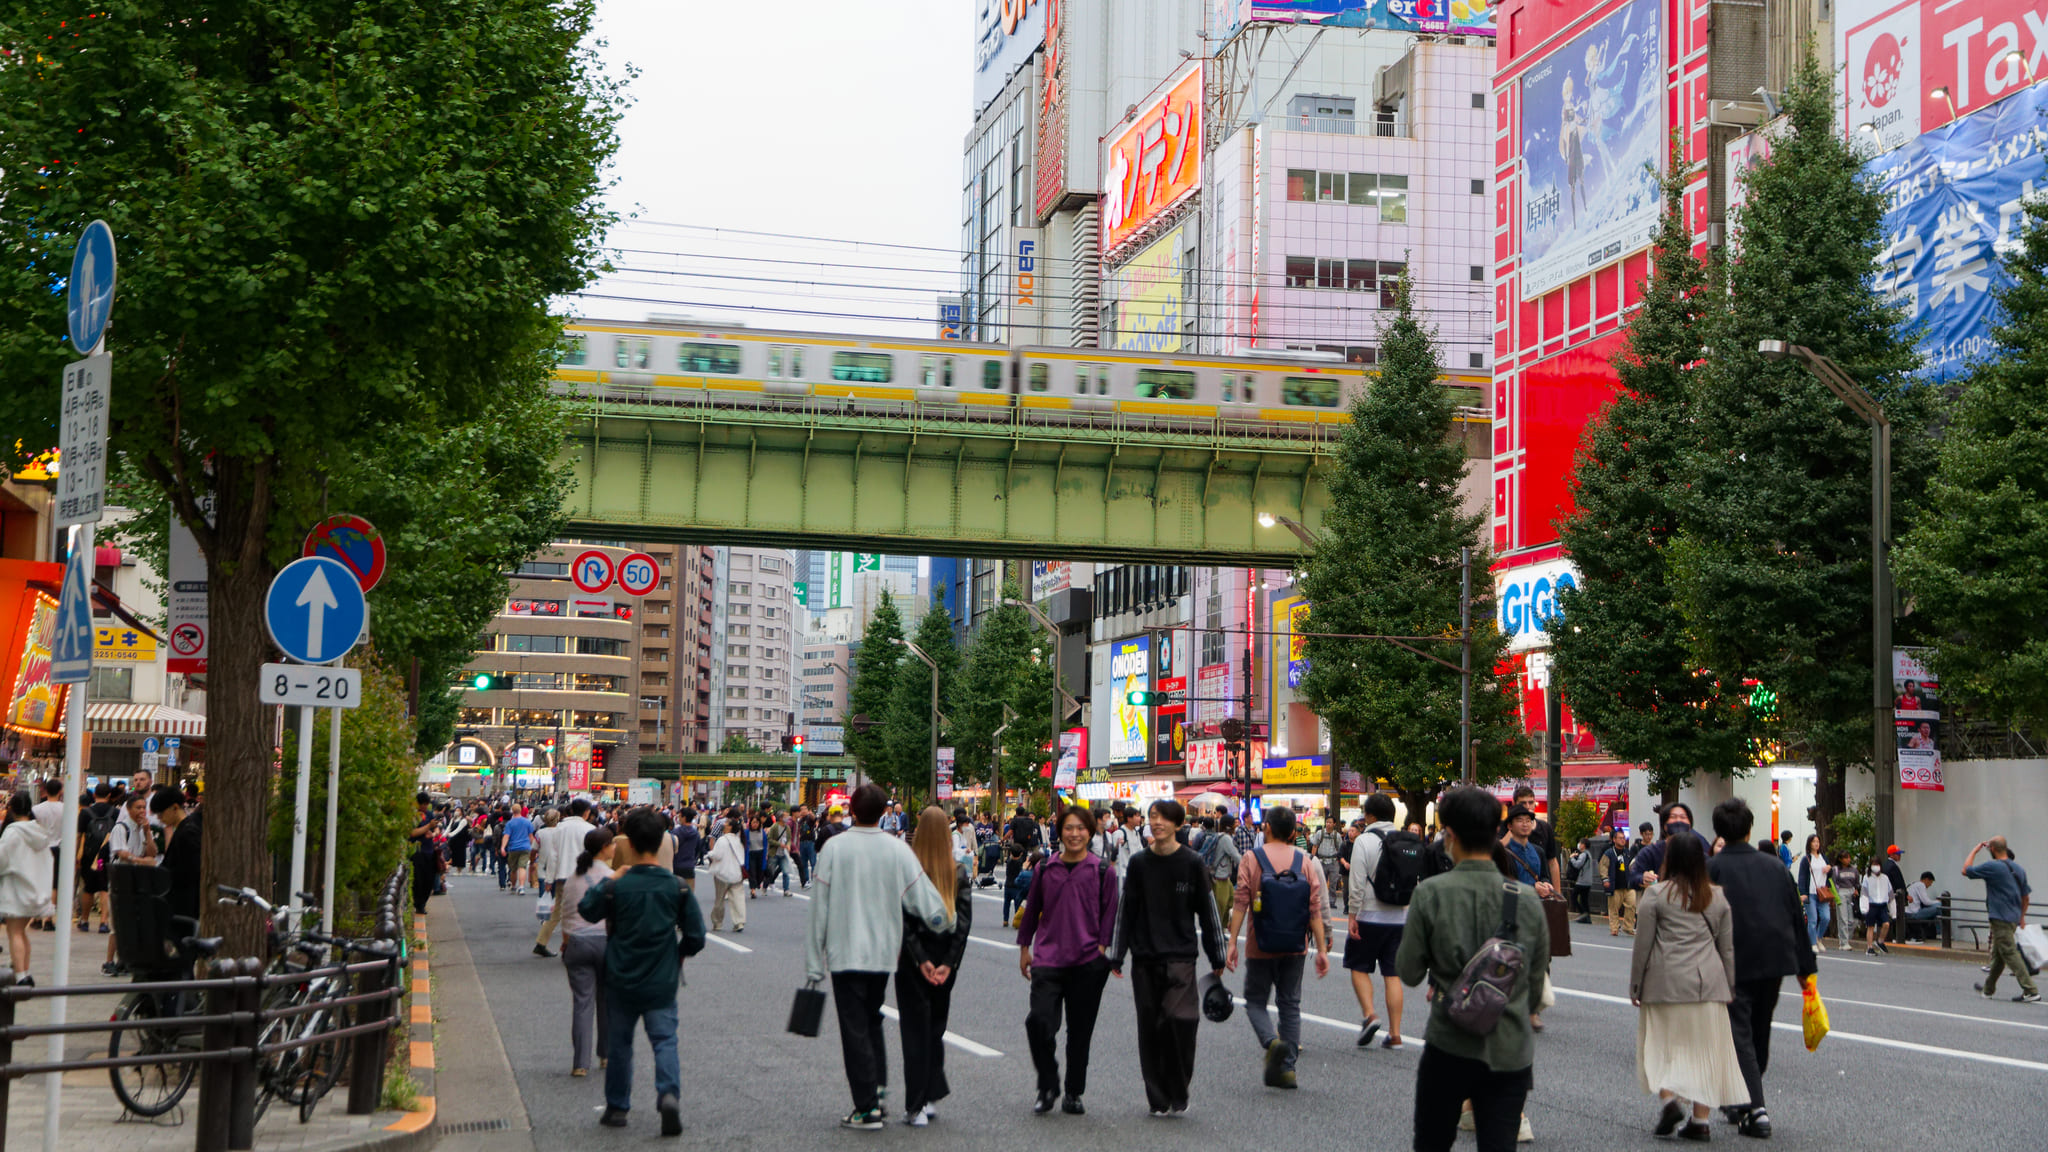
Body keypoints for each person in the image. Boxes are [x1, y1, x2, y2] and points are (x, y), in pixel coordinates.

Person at [1397, 786, 1550, 1152]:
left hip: (1449, 1042)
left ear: (1449, 835)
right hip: (1510, 1047)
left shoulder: (1431, 894)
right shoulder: (1526, 899)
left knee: (1432, 1143)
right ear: (1497, 831)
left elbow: (1409, 971)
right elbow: (1535, 982)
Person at [805, 784, 951, 1130]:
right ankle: (877, 1091)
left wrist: (814, 963)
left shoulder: (834, 848)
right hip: (885, 953)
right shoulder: (897, 849)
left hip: (844, 951)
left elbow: (819, 909)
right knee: (871, 1019)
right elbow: (926, 901)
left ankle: (867, 1107)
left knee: (854, 1027)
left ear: (852, 811)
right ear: (885, 811)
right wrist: (942, 921)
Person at [576, 807, 705, 1134]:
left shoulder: (617, 885)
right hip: (662, 978)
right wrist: (678, 955)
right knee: (664, 1040)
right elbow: (696, 937)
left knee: (620, 1044)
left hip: (620, 975)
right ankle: (668, 1095)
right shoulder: (677, 886)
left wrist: (610, 879)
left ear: (628, 843)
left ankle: (617, 1108)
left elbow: (587, 911)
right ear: (661, 841)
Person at [1105, 799, 1227, 1117]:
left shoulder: (1192, 862)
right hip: (1145, 957)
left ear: (1178, 824)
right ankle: (1157, 1097)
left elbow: (1208, 911)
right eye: (1152, 817)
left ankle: (1178, 1086)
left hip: (1180, 957)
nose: (1157, 823)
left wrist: (1217, 954)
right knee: (1150, 1027)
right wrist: (1116, 954)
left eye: (1164, 818)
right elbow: (1126, 909)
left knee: (1181, 1020)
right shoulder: (1139, 864)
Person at [1706, 799, 1814, 1140]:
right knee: (1759, 1029)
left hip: (1731, 959)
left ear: (1719, 831)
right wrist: (1806, 966)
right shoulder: (1775, 867)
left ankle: (1755, 1109)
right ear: (1750, 829)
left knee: (1738, 1033)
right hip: (1774, 958)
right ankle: (1743, 1099)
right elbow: (1796, 915)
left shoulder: (1712, 869)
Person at [1631, 827, 1745, 1141]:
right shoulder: (1717, 896)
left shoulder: (1656, 894)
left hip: (1664, 982)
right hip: (1708, 983)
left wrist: (1636, 985)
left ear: (1670, 859)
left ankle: (1669, 1101)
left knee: (1662, 1046)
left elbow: (1643, 945)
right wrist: (1729, 986)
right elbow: (1727, 949)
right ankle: (1701, 1121)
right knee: (1706, 1053)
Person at [1017, 805, 1117, 1116]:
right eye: (1068, 828)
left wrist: (1102, 949)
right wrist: (1024, 947)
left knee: (1080, 1031)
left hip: (1087, 961)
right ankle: (1047, 1084)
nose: (1074, 834)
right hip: (1049, 957)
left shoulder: (1103, 871)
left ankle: (1074, 1092)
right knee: (1039, 1022)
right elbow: (1032, 909)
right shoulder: (1046, 868)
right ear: (1059, 832)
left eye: (1080, 828)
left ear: (1090, 831)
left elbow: (1110, 914)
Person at [1225, 804, 1329, 1089]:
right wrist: (1321, 950)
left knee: (1255, 1001)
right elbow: (1314, 909)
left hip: (1260, 943)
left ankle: (1271, 1042)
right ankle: (1287, 1069)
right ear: (1294, 832)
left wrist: (1232, 942)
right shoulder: (1304, 861)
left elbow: (1240, 903)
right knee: (1290, 1004)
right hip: (1296, 944)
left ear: (1267, 828)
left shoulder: (1252, 858)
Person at [897, 807, 971, 1128]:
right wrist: (948, 964)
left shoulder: (909, 872)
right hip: (945, 962)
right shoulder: (957, 872)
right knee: (935, 1027)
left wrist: (920, 959)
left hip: (913, 961)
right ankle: (930, 1095)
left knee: (915, 1030)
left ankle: (916, 1104)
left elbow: (903, 922)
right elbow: (963, 925)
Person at [1346, 792, 1416, 1050]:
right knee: (1392, 974)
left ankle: (1370, 1014)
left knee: (1358, 966)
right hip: (1400, 917)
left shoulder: (1364, 840)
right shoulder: (1407, 840)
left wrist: (1352, 915)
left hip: (1369, 915)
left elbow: (1356, 882)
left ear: (1370, 816)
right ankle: (1395, 1034)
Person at [560, 827, 615, 1077]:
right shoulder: (612, 877)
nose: (615, 847)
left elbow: (565, 913)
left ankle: (580, 1063)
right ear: (604, 848)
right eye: (612, 844)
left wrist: (566, 941)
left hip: (576, 942)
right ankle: (606, 1055)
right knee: (607, 1001)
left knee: (582, 1003)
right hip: (605, 942)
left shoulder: (573, 878)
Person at [1963, 837, 2039, 1003]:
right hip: (2013, 917)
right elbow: (2026, 897)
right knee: (1999, 956)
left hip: (1999, 917)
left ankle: (2030, 990)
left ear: (1992, 849)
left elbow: (1966, 870)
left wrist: (1975, 850)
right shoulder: (2018, 869)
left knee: (2009, 952)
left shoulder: (1992, 866)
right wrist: (2022, 917)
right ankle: (1988, 989)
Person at [101, 790, 157, 975]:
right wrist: (142, 861)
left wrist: (148, 833)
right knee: (117, 924)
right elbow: (121, 852)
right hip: (121, 879)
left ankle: (125, 960)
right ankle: (109, 962)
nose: (141, 811)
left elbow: (152, 853)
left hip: (136, 880)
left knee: (131, 922)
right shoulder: (121, 828)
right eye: (138, 807)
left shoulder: (143, 829)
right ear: (129, 809)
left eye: (143, 807)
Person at [1, 792, 53, 987]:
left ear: (12, 809)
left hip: (16, 891)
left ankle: (21, 975)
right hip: (34, 890)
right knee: (21, 932)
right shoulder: (39, 832)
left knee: (14, 933)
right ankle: (25, 971)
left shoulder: (13, 832)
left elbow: (1, 859)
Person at [150, 788, 202, 926]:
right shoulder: (184, 828)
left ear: (174, 807)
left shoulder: (188, 832)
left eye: (160, 813)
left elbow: (191, 871)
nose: (159, 818)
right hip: (180, 903)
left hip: (185, 906)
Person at [76, 782, 117, 932]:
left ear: (94, 795)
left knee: (89, 888)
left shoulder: (85, 813)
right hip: (107, 854)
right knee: (104, 888)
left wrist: (76, 855)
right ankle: (104, 922)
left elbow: (78, 835)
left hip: (89, 856)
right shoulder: (115, 812)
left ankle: (84, 920)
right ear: (109, 795)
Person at [706, 818, 747, 932]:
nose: (723, 824)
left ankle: (717, 923)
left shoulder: (722, 840)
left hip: (722, 873)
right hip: (736, 873)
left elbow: (717, 855)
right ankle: (739, 922)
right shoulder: (738, 840)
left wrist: (709, 854)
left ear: (730, 827)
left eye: (726, 823)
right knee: (738, 899)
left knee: (719, 899)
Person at [1003, 806, 1041, 925]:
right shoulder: (1030, 821)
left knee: (1007, 902)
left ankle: (1005, 920)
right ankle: (1017, 917)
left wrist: (1003, 839)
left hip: (1009, 884)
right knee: (1017, 900)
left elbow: (1010, 832)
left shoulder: (1015, 821)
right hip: (1027, 846)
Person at [1201, 812, 1242, 921]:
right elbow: (1236, 856)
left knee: (1230, 902)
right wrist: (1248, 865)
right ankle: (1219, 928)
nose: (1236, 826)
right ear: (1229, 826)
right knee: (1221, 907)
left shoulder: (1220, 836)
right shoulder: (1226, 839)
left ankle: (1223, 927)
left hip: (1223, 876)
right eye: (1234, 824)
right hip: (1220, 877)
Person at [407, 793, 441, 916]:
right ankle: (419, 904)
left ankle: (423, 902)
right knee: (418, 880)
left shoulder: (429, 814)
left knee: (429, 879)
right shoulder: (413, 815)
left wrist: (434, 833)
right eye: (423, 805)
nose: (425, 807)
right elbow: (412, 832)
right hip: (417, 852)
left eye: (427, 804)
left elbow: (436, 828)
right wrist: (428, 827)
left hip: (429, 851)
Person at [1794, 834, 1829, 952]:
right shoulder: (1807, 859)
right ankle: (1812, 943)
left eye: (1818, 841)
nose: (1816, 844)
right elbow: (1802, 877)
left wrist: (1829, 869)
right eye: (1814, 841)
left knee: (1826, 917)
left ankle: (1818, 938)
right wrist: (1803, 893)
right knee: (1813, 919)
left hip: (1822, 893)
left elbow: (1829, 875)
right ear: (1809, 844)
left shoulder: (1824, 858)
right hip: (1810, 893)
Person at [1606, 831, 1642, 936]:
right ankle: (1614, 928)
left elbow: (1633, 865)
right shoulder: (1609, 853)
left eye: (1624, 838)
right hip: (1615, 884)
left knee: (1632, 904)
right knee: (1614, 907)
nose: (1623, 840)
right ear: (1614, 839)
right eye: (1620, 838)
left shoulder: (1628, 852)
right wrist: (1605, 879)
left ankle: (1628, 927)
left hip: (1628, 884)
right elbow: (1603, 866)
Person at [1309, 816, 1348, 916]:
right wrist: (1313, 858)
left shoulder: (1337, 836)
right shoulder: (1320, 833)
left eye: (1330, 822)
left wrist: (1340, 860)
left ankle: (1331, 902)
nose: (1328, 824)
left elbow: (1340, 848)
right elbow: (1315, 846)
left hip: (1333, 861)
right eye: (1327, 822)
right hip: (1321, 860)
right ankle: (1320, 901)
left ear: (1334, 824)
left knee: (1333, 883)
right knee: (1321, 882)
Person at [1861, 860, 1894, 955]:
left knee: (1886, 924)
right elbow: (1864, 893)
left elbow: (1890, 893)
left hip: (1882, 904)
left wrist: (1893, 909)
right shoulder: (1867, 877)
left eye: (1877, 864)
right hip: (1871, 904)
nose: (1876, 866)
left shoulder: (1885, 878)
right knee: (1870, 926)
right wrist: (1864, 907)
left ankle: (1880, 941)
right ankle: (1869, 947)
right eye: (1874, 864)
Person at [503, 806, 535, 894]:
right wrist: (535, 847)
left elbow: (506, 836)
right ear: (520, 810)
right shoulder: (527, 822)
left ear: (512, 811)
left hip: (513, 848)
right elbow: (531, 836)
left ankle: (513, 886)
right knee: (522, 867)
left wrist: (503, 847)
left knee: (513, 869)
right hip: (525, 847)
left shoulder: (510, 823)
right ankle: (521, 887)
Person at [1903, 871, 1943, 941]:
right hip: (1914, 914)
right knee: (1939, 906)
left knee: (1936, 909)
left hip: (1907, 912)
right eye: (1930, 882)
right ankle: (1940, 933)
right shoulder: (1921, 885)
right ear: (1926, 880)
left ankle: (1938, 933)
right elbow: (1926, 902)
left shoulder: (1913, 884)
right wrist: (1937, 901)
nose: (1930, 885)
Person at [1569, 839, 1597, 923]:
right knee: (1584, 899)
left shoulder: (1583, 854)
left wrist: (1572, 858)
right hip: (1588, 880)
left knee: (1573, 896)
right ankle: (1587, 917)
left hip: (1582, 880)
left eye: (1580, 843)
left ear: (1583, 845)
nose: (1579, 845)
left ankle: (1583, 913)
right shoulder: (1589, 854)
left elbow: (1577, 865)